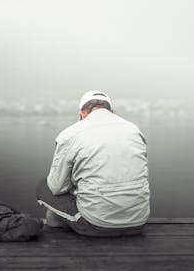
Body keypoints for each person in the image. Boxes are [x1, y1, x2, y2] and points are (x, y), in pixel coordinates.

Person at [36, 90, 150, 237]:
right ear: (112, 111)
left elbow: (57, 188)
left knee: (43, 186)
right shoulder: (134, 130)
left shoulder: (70, 134)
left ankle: (57, 226)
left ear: (82, 113)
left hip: (95, 225)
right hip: (138, 222)